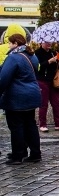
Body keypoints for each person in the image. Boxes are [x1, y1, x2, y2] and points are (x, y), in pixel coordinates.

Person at [0, 34, 42, 165]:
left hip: (17, 97)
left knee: (16, 126)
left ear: (15, 43)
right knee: (30, 124)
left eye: (10, 43)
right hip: (32, 95)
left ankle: (17, 155)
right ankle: (35, 153)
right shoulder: (32, 55)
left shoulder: (13, 58)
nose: (8, 45)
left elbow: (3, 79)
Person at [34, 41, 59, 132]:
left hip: (54, 81)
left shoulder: (53, 52)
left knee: (56, 103)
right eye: (47, 42)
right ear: (42, 42)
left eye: (50, 42)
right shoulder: (37, 53)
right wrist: (49, 61)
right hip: (42, 80)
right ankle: (42, 124)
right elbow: (37, 67)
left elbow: (57, 67)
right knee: (43, 104)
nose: (49, 44)